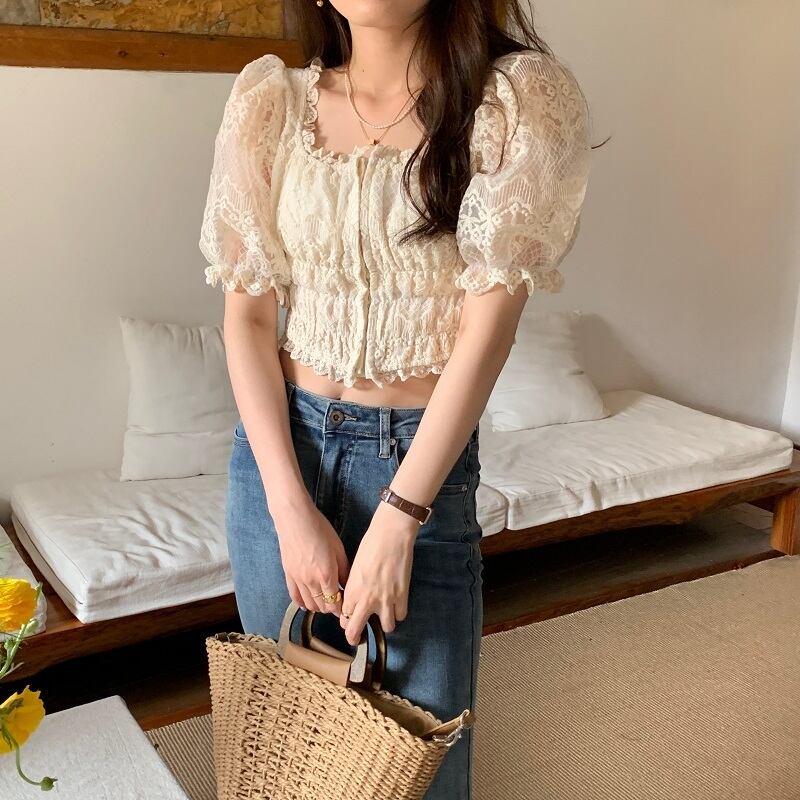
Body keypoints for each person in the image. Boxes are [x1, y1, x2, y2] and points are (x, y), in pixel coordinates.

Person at [199, 1, 592, 796]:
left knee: (421, 761)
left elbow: (489, 327)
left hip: (416, 465)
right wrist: (288, 510)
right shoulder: (269, 104)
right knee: (289, 748)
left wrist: (401, 515)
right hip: (278, 457)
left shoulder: (512, 102)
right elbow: (247, 317)